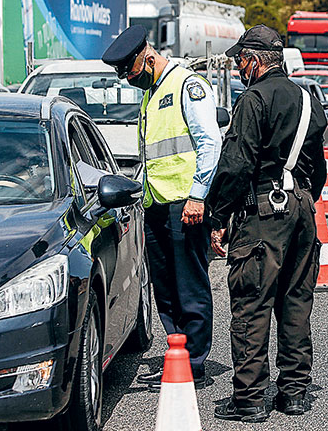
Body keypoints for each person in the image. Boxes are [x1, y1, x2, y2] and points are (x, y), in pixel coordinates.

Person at [205, 24, 327, 422]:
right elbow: (318, 166)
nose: (239, 68)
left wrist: (218, 217)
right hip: (302, 209)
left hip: (263, 213)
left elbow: (236, 164)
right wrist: (304, 202)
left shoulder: (253, 100)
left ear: (255, 62)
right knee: (295, 303)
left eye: (241, 60)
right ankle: (293, 393)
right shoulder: (307, 99)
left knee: (252, 303)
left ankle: (250, 399)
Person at [101, 24, 222, 387]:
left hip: (185, 206)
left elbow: (210, 143)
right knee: (166, 288)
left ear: (148, 57)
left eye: (131, 71)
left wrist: (198, 195)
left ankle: (195, 363)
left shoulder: (187, 85)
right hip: (156, 205)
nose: (128, 79)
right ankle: (177, 355)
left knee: (190, 287)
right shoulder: (151, 92)